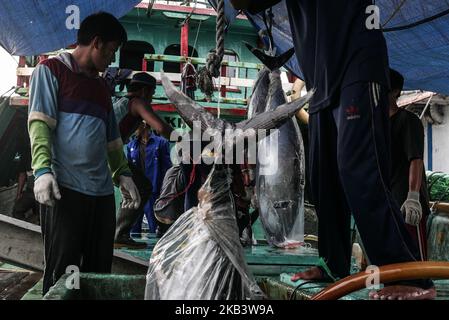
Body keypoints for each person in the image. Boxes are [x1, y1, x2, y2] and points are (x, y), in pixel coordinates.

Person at [230, 0, 435, 299]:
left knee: (358, 169)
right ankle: (334, 263)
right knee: (322, 177)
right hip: (321, 78)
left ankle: (411, 275)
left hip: (357, 66)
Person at [28, 12, 140, 295]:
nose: (112, 60)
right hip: (66, 189)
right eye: (112, 51)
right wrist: (42, 171)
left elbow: (111, 138)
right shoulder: (51, 70)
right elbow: (40, 124)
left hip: (101, 195)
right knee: (64, 272)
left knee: (99, 271)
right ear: (97, 43)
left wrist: (122, 173)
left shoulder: (102, 87)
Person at [112, 72, 174, 248]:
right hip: (107, 153)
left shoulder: (123, 101)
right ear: (145, 91)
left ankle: (119, 233)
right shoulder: (138, 102)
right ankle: (120, 234)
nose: (152, 98)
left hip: (107, 151)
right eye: (152, 93)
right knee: (142, 186)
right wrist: (184, 139)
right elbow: (161, 127)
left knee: (136, 186)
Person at [389, 69, 429, 260]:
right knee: (391, 257)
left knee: (413, 257)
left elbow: (416, 159)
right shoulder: (377, 125)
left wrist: (413, 196)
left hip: (407, 204)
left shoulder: (408, 121)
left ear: (395, 92)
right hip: (387, 201)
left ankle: (420, 287)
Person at [115, 122, 172, 247]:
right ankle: (124, 238)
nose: (134, 130)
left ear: (144, 125)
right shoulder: (131, 145)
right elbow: (129, 170)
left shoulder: (161, 143)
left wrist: (165, 191)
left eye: (137, 127)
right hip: (136, 190)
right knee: (134, 225)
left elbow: (167, 168)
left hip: (154, 191)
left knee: (154, 226)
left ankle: (156, 250)